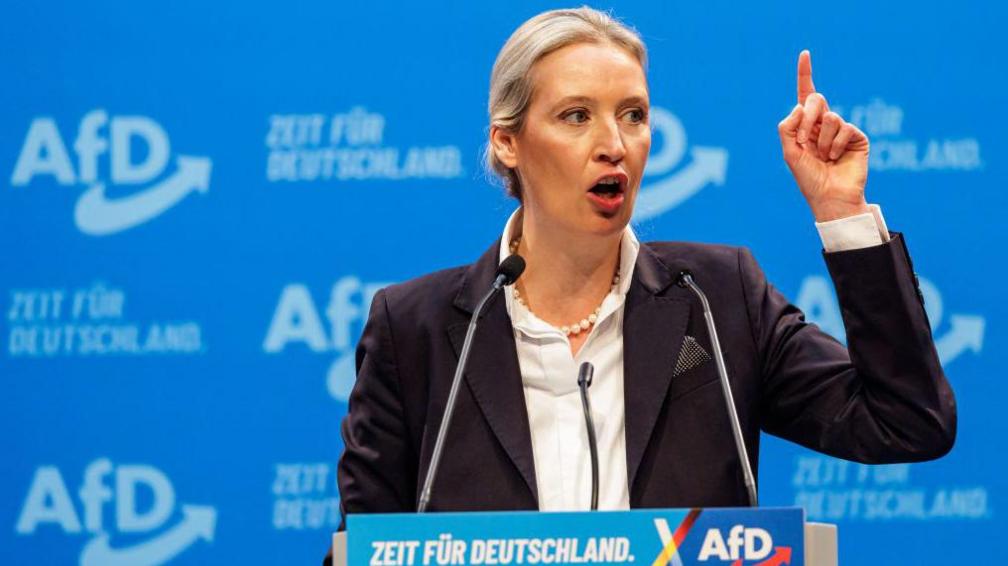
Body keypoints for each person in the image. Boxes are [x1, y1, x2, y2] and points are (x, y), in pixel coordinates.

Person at [328, 6, 955, 561]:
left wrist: (842, 214)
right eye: (576, 116)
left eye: (633, 115)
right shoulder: (417, 329)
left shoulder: (716, 298)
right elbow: (363, 546)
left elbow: (906, 421)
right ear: (507, 142)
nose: (614, 145)